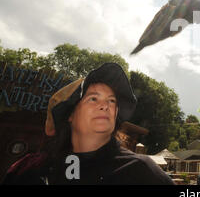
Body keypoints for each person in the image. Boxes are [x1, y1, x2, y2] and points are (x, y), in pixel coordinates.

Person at [2, 63, 174, 185]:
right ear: (70, 114)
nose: (105, 105)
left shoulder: (141, 172)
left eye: (112, 101)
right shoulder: (28, 170)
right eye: (93, 98)